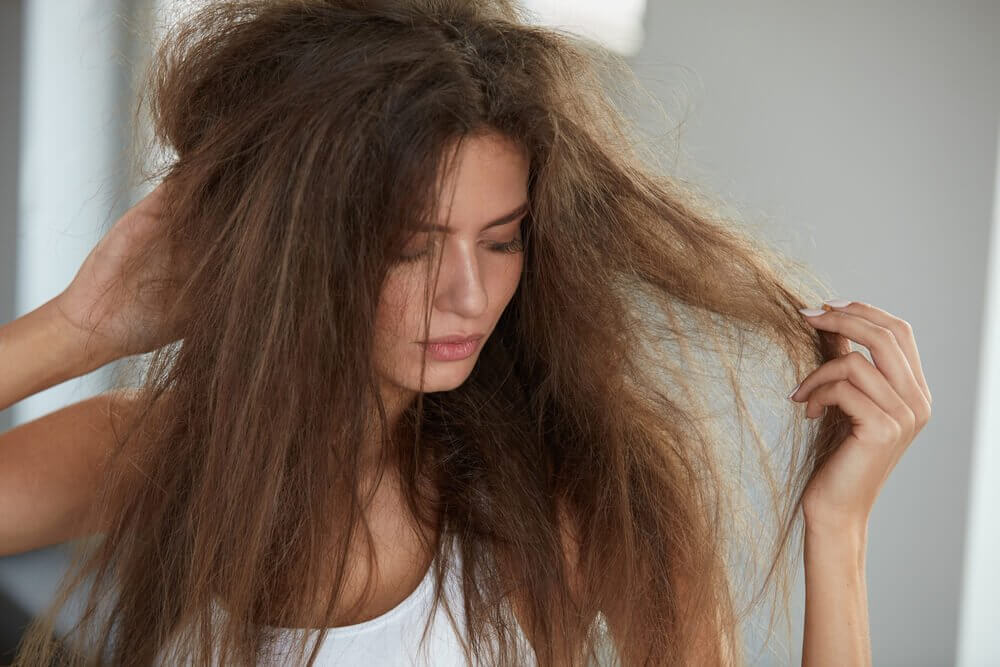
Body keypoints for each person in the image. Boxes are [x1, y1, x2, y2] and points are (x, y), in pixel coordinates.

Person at [0, 0, 932, 665]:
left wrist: (837, 530)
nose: (468, 295)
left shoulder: (572, 502)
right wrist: (77, 329)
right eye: (410, 248)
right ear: (296, 252)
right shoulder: (161, 451)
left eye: (502, 240)